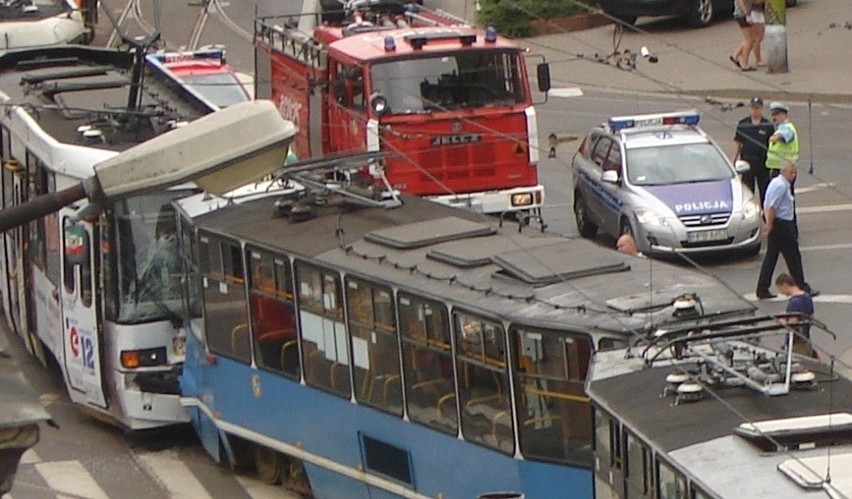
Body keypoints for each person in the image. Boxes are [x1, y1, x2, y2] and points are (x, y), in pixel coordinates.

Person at [755, 162, 815, 299]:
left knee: (772, 256)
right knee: (793, 256)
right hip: (782, 225)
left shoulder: (776, 182)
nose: (793, 176)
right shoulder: (781, 186)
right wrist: (769, 224)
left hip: (778, 224)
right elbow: (771, 207)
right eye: (791, 173)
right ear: (784, 172)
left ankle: (762, 288)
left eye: (794, 173)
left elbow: (767, 203)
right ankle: (801, 286)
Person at [733, 96, 774, 205]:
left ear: (761, 109)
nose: (755, 110)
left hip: (763, 164)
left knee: (765, 192)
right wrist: (733, 161)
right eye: (753, 108)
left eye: (758, 108)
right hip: (747, 163)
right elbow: (737, 143)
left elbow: (772, 146)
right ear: (750, 108)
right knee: (747, 193)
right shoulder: (743, 124)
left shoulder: (767, 125)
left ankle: (766, 218)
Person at [775, 273, 816, 358]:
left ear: (785, 285)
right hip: (807, 340)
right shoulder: (807, 296)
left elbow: (792, 325)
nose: (781, 293)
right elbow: (811, 317)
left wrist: (781, 320)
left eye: (780, 289)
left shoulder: (794, 302)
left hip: (796, 344)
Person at [765, 102, 799, 183]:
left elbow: (784, 135)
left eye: (777, 114)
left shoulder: (787, 128)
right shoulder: (779, 128)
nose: (774, 117)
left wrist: (774, 138)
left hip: (785, 170)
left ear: (784, 115)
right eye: (773, 114)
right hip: (777, 168)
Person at [730, 0, 757, 71]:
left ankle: (735, 55)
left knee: (750, 39)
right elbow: (741, 1)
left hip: (742, 14)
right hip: (742, 15)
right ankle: (745, 64)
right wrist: (747, 14)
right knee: (749, 40)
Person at [748, 0, 767, 67]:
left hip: (760, 12)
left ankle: (741, 52)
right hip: (754, 12)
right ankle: (758, 59)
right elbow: (754, 1)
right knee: (757, 38)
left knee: (760, 36)